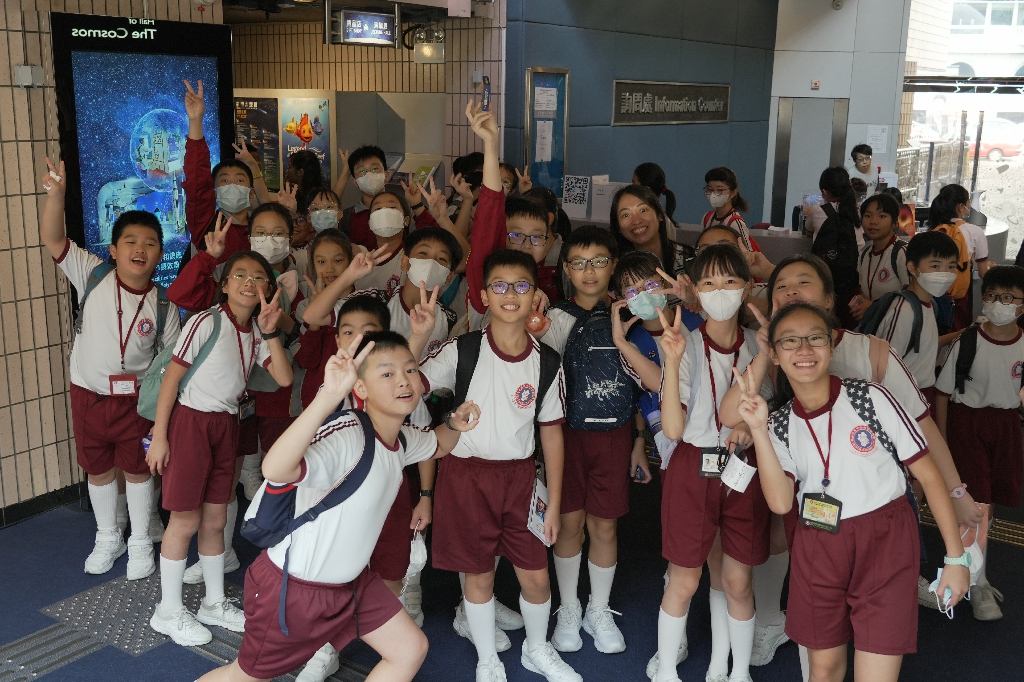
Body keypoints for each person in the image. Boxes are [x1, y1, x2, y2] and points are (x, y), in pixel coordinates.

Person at [713, 253, 984, 671]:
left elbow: (925, 454)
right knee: (821, 665)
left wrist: (955, 550)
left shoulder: (870, 384)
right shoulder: (779, 413)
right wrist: (761, 414)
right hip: (817, 534)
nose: (804, 348)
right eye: (781, 286)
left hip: (883, 532)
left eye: (814, 338)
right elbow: (777, 494)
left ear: (829, 313)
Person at [196, 332, 481, 682]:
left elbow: (437, 444)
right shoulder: (347, 435)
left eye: (410, 370)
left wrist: (454, 423)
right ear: (360, 388)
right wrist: (328, 396)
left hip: (352, 584)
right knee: (245, 677)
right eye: (387, 373)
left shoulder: (401, 439)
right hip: (295, 590)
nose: (404, 380)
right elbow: (275, 469)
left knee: (409, 649)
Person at [419, 248, 580, 682]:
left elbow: (552, 435)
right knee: (479, 576)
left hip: (521, 480)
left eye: (522, 286)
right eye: (500, 286)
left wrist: (555, 504)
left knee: (537, 578)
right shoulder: (464, 350)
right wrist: (418, 336)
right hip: (467, 476)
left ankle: (537, 648)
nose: (511, 294)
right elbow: (410, 383)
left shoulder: (547, 362)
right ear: (484, 296)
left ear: (536, 296)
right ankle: (487, 658)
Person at [40, 158, 180, 580]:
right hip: (88, 393)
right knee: (97, 468)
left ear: (160, 253)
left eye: (150, 243)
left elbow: (170, 368)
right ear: (113, 249)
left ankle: (140, 541)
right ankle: (108, 536)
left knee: (137, 471)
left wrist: (161, 419)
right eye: (130, 241)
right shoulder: (92, 273)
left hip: (136, 402)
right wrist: (57, 196)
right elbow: (54, 239)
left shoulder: (164, 304)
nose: (140, 249)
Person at [146, 251, 293, 646]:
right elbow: (171, 380)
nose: (248, 282)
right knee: (184, 521)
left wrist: (271, 332)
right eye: (239, 275)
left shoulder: (257, 331)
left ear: (267, 289)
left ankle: (213, 603)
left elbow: (283, 378)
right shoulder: (206, 321)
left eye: (258, 277)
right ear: (224, 284)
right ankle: (168, 610)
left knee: (215, 519)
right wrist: (160, 436)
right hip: (191, 424)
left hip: (226, 425)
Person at [652, 244, 770, 682]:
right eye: (709, 282)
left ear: (748, 288)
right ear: (696, 293)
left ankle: (732, 669)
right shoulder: (684, 344)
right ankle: (667, 670)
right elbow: (673, 428)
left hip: (742, 468)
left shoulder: (760, 344)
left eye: (730, 281)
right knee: (684, 580)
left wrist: (750, 427)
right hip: (693, 467)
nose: (720, 291)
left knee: (736, 580)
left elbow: (769, 407)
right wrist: (671, 360)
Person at [534, 226, 641, 656]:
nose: (589, 271)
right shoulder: (552, 319)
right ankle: (569, 607)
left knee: (604, 524)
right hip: (565, 437)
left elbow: (640, 383)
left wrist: (639, 438)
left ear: (613, 265)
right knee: (568, 522)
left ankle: (598, 608)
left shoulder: (630, 313)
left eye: (598, 261)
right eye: (578, 263)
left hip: (614, 435)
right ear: (566, 268)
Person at [935, 265, 1024, 621]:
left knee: (991, 501)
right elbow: (942, 394)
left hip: (1006, 425)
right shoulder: (968, 341)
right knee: (977, 505)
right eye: (992, 296)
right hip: (968, 424)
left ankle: (976, 568)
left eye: (1009, 297)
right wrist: (943, 442)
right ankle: (976, 584)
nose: (999, 303)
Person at [303, 226, 461, 358]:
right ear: (405, 262)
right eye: (423, 254)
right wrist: (350, 275)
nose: (431, 262)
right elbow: (313, 316)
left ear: (449, 277)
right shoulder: (375, 301)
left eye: (441, 259)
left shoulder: (449, 320)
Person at [873, 231, 960, 408]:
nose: (945, 273)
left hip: (921, 395)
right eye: (935, 266)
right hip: (903, 399)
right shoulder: (903, 311)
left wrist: (959, 335)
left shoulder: (929, 303)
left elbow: (920, 348)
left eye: (951, 266)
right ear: (912, 268)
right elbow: (884, 366)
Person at [183, 80, 265, 263]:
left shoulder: (261, 228)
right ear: (214, 191)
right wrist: (195, 120)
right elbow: (197, 179)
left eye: (240, 180)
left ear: (251, 192)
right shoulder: (206, 225)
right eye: (225, 181)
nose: (232, 185)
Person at [338, 145, 438, 251]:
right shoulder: (347, 217)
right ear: (355, 182)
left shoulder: (404, 210)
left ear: (386, 175)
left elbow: (433, 241)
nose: (369, 174)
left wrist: (417, 206)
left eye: (375, 168)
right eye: (362, 171)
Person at [928, 183, 990, 331]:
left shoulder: (935, 230)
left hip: (933, 293)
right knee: (957, 333)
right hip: (959, 295)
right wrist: (991, 267)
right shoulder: (975, 231)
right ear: (961, 207)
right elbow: (983, 272)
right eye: (968, 202)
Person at [809, 167, 861, 328]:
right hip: (853, 281)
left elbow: (808, 230)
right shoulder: (859, 212)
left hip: (825, 280)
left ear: (824, 192)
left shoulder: (817, 211)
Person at [610, 184, 693, 281]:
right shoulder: (615, 268)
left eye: (643, 210)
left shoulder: (691, 259)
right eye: (626, 215)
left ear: (660, 215)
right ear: (618, 227)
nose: (636, 221)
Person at [851, 193, 909, 321]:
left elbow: (912, 299)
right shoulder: (865, 254)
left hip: (896, 326)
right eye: (867, 216)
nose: (873, 221)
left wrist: (874, 306)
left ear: (894, 222)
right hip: (873, 326)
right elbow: (864, 291)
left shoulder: (902, 253)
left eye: (882, 216)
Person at [701, 167, 754, 252]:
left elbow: (747, 255)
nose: (714, 194)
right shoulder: (707, 218)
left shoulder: (735, 223)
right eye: (710, 189)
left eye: (720, 190)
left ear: (733, 193)